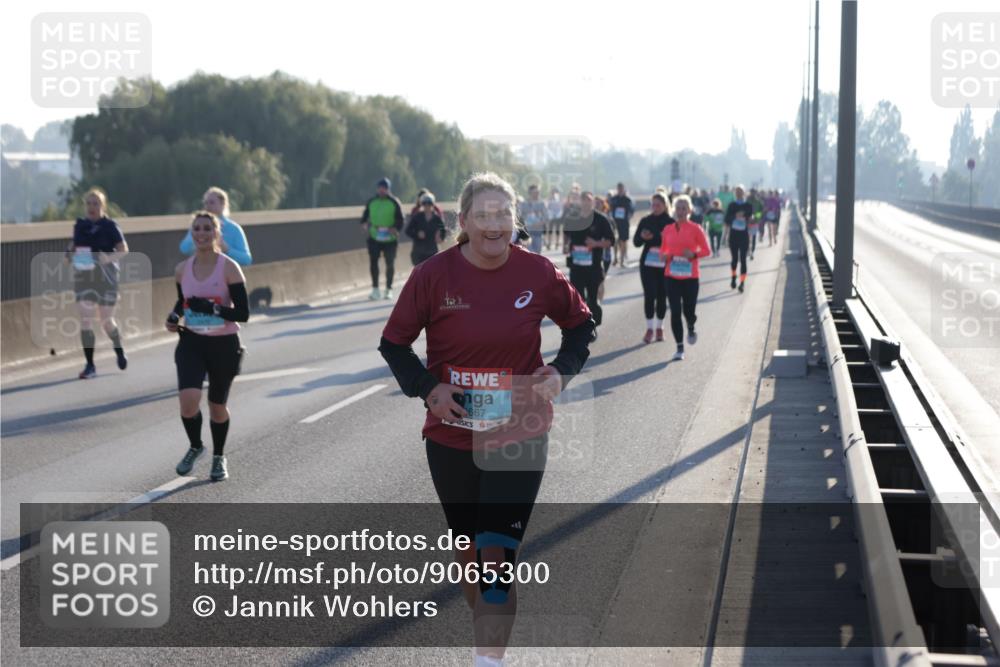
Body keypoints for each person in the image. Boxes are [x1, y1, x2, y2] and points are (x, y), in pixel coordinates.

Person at [378, 172, 596, 667]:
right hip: (451, 436)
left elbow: (582, 326)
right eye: (483, 215)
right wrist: (429, 389)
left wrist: (561, 370)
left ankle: (487, 660)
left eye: (503, 214)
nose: (494, 224)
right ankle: (488, 640)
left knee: (496, 556)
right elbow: (394, 345)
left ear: (515, 219)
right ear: (464, 221)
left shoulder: (537, 272)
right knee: (470, 559)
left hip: (520, 431)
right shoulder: (432, 276)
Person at [167, 211, 249, 482]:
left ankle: (219, 456)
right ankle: (195, 446)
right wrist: (174, 316)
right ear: (192, 234)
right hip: (192, 342)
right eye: (197, 229)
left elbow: (243, 313)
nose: (201, 234)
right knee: (188, 403)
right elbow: (183, 302)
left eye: (207, 229)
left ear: (216, 233)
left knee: (216, 405)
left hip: (224, 344)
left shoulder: (229, 268)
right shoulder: (182, 269)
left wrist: (213, 308)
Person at [66, 188, 129, 379]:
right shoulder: (80, 225)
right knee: (86, 319)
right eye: (89, 203)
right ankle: (90, 365)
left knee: (106, 321)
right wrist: (69, 254)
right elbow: (74, 245)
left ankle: (118, 348)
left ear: (103, 206)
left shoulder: (110, 226)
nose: (92, 207)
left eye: (96, 203)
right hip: (84, 277)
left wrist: (108, 258)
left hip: (106, 278)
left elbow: (123, 249)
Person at [658, 195, 711, 361]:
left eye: (683, 208)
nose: (680, 211)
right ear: (674, 210)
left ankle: (691, 325)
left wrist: (693, 254)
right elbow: (662, 251)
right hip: (671, 276)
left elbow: (706, 251)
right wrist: (664, 256)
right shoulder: (668, 229)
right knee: (675, 311)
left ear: (689, 211)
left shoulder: (696, 229)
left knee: (689, 311)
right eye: (678, 208)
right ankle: (679, 347)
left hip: (690, 277)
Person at [564, 191, 614, 327]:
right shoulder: (572, 218)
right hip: (576, 266)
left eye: (589, 200)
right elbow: (566, 233)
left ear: (592, 202)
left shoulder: (601, 219)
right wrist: (565, 245)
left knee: (593, 299)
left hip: (594, 267)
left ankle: (593, 325)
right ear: (580, 202)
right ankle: (584, 326)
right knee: (578, 299)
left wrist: (596, 243)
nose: (586, 203)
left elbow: (611, 241)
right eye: (583, 200)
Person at [633, 192, 672, 343]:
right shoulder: (645, 220)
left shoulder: (670, 222)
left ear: (665, 205)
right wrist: (642, 237)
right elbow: (636, 242)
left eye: (658, 205)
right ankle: (649, 328)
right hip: (647, 263)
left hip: (664, 263)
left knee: (662, 295)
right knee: (649, 295)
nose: (655, 207)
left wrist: (655, 236)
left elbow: (673, 242)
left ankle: (659, 328)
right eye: (653, 205)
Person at [179, 186, 252, 266]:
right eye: (205, 203)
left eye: (211, 202)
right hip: (201, 270)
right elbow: (184, 248)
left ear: (223, 204)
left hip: (225, 272)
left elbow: (247, 259)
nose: (207, 206)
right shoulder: (198, 226)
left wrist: (227, 250)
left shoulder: (234, 229)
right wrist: (197, 237)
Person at [360, 177, 405, 300]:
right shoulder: (372, 201)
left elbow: (401, 220)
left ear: (388, 189)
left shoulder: (394, 202)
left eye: (384, 188)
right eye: (380, 188)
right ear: (377, 189)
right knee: (373, 262)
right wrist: (364, 224)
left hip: (390, 239)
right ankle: (375, 289)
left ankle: (388, 289)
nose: (382, 190)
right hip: (375, 237)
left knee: (390, 263)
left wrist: (395, 228)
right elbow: (364, 217)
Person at [725, 185, 754, 293]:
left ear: (744, 193)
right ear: (735, 193)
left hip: (744, 235)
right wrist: (735, 216)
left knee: (743, 260)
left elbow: (752, 217)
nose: (739, 193)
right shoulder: (732, 205)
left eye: (741, 191)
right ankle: (733, 277)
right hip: (733, 235)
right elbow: (726, 219)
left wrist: (746, 216)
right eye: (737, 192)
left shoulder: (748, 205)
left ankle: (742, 283)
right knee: (734, 260)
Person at [405, 193, 447, 266]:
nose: (427, 206)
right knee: (420, 271)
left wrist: (441, 237)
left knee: (432, 271)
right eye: (424, 203)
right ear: (422, 204)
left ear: (433, 204)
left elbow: (443, 229)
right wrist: (417, 234)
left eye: (429, 203)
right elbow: (408, 231)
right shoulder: (417, 217)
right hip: (418, 252)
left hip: (432, 252)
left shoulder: (437, 218)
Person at [609, 182, 634, 267]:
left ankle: (622, 260)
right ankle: (615, 258)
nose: (620, 190)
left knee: (623, 241)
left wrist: (629, 216)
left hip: (624, 223)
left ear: (624, 189)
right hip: (615, 223)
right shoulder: (613, 199)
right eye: (618, 188)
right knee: (615, 241)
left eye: (621, 188)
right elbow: (610, 209)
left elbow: (631, 210)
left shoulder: (627, 199)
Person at [518, 184, 549, 254]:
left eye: (538, 192)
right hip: (527, 233)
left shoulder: (542, 204)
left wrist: (540, 223)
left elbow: (546, 217)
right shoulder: (523, 204)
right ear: (530, 193)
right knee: (529, 253)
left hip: (538, 233)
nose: (537, 194)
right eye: (535, 192)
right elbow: (519, 217)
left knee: (537, 253)